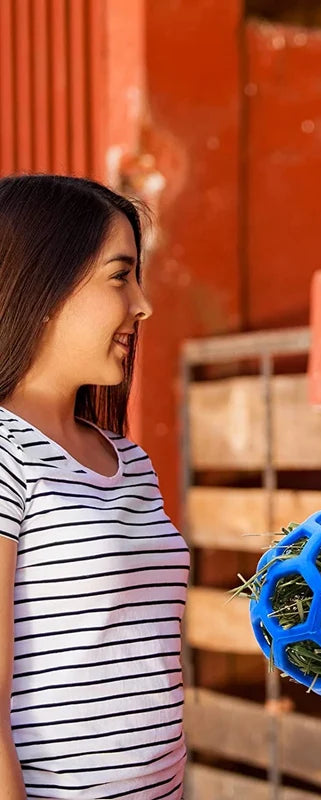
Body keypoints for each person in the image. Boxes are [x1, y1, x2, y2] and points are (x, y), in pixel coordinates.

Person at [0, 175, 189, 799]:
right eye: (120, 275)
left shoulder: (130, 461)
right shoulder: (5, 453)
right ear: (44, 283)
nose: (143, 303)